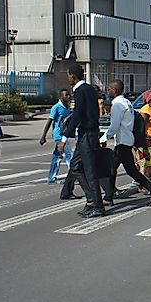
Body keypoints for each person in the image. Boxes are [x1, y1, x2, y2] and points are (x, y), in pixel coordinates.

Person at [100, 80, 151, 205]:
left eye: (109, 89)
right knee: (116, 169)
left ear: (115, 90)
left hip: (122, 142)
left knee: (120, 170)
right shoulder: (127, 102)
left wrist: (103, 138)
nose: (108, 91)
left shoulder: (117, 104)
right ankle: (109, 196)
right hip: (126, 140)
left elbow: (114, 126)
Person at [59, 64, 105, 218]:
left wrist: (64, 137)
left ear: (73, 75)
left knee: (89, 171)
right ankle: (91, 199)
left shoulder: (80, 90)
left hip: (87, 134)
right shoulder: (89, 89)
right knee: (75, 166)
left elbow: (77, 114)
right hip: (88, 133)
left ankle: (98, 206)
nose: (68, 78)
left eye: (68, 75)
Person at [40, 89, 73, 184]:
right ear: (61, 96)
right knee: (69, 156)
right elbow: (49, 122)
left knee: (57, 156)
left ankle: (51, 177)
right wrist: (43, 136)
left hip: (65, 134)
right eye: (66, 95)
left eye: (69, 95)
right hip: (59, 135)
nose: (68, 97)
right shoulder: (56, 107)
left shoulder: (67, 107)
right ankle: (74, 176)